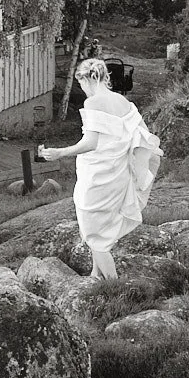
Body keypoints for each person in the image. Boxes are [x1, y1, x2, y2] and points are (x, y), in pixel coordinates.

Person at [38, 56, 161, 280]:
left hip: (98, 176)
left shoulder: (93, 103)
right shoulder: (124, 102)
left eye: (81, 84)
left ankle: (114, 286)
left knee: (93, 231)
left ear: (90, 79)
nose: (83, 90)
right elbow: (143, 135)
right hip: (118, 173)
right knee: (101, 226)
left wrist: (60, 152)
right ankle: (96, 275)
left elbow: (91, 143)